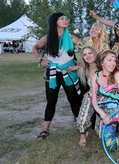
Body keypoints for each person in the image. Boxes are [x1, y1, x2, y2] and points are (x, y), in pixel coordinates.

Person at [33, 12, 82, 140]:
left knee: (74, 100)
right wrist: (40, 60)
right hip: (53, 72)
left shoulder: (72, 38)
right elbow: (35, 48)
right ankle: (45, 129)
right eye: (62, 18)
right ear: (55, 21)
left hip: (69, 72)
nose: (65, 20)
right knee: (51, 101)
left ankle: (80, 125)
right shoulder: (47, 38)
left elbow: (88, 50)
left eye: (66, 18)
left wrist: (79, 66)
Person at [76, 45, 99, 146]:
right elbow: (84, 85)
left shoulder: (102, 65)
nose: (88, 56)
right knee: (81, 118)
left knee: (102, 132)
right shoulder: (83, 70)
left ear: (94, 53)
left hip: (105, 95)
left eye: (90, 53)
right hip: (91, 94)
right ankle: (82, 134)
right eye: (85, 54)